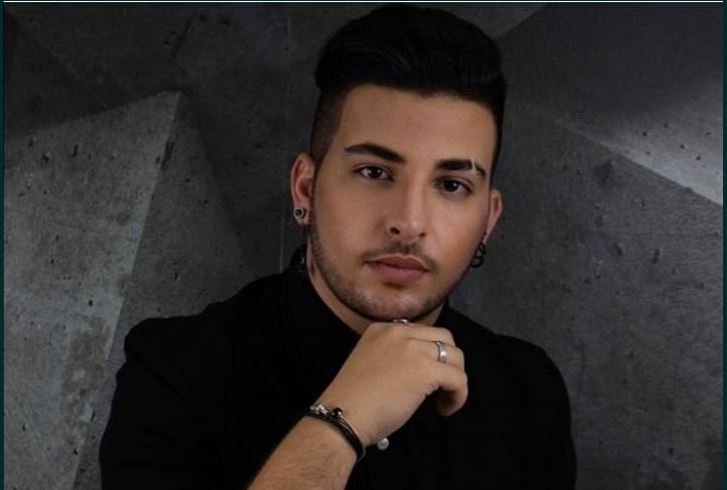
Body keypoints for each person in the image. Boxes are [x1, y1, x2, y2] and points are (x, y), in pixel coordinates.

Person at [100, 5, 576, 489]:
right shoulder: (174, 373)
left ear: (488, 219)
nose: (409, 223)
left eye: (452, 185)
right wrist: (340, 424)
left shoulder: (527, 392)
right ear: (305, 188)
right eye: (374, 172)